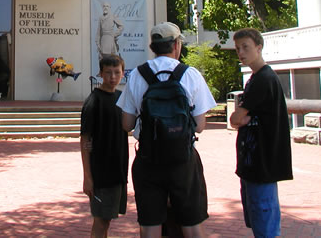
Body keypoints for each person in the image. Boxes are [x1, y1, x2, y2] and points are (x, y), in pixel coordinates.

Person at [117, 22, 216, 238]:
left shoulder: (138, 75)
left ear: (152, 46)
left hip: (149, 159)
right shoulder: (190, 74)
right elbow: (200, 126)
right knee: (191, 223)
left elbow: (127, 124)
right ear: (177, 44)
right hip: (183, 160)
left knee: (150, 224)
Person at [229, 28, 293, 238]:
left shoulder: (264, 79)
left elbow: (235, 119)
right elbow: (238, 119)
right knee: (259, 219)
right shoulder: (256, 79)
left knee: (265, 223)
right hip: (252, 163)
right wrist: (242, 118)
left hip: (261, 163)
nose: (241, 52)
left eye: (245, 47)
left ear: (259, 48)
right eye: (238, 48)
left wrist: (243, 118)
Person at [80, 54, 129, 238]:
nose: (112, 77)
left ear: (123, 73)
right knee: (101, 221)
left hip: (118, 170)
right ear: (100, 73)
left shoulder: (122, 98)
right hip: (101, 172)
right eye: (108, 72)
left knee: (107, 219)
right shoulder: (94, 101)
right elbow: (85, 139)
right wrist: (87, 177)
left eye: (117, 72)